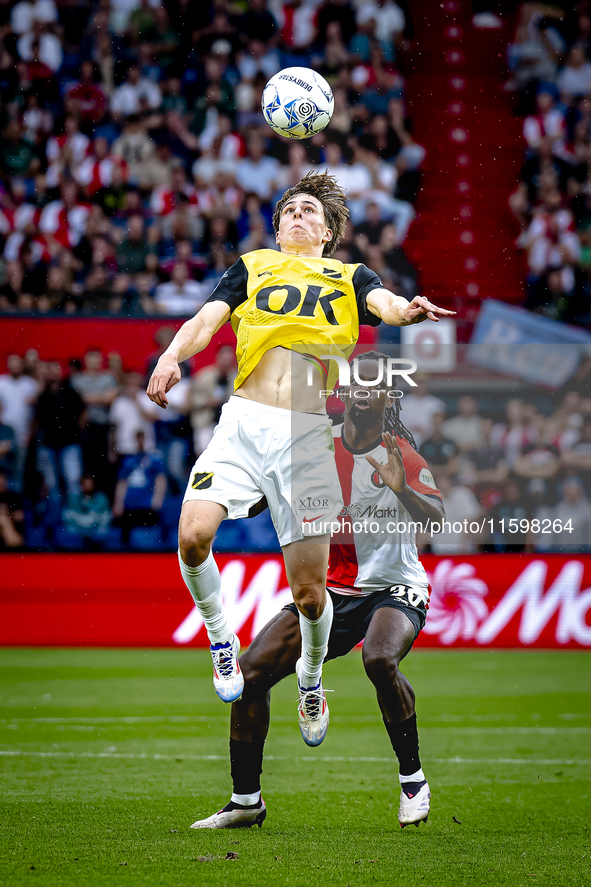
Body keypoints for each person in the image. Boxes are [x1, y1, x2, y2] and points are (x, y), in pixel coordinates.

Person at [147, 171, 453, 746]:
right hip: (243, 422)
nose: (296, 215)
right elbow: (204, 322)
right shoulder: (251, 266)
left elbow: (384, 304)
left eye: (309, 209)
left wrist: (407, 311)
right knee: (192, 535)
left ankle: (311, 678)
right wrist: (171, 355)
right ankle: (220, 640)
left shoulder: (347, 277)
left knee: (312, 595)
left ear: (329, 229)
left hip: (309, 432)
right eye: (288, 208)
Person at [190, 352, 443, 830]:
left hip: (393, 587)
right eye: (355, 385)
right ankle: (246, 802)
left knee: (379, 659)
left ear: (387, 397)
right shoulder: (312, 445)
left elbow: (437, 519)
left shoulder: (401, 454)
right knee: (248, 676)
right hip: (329, 591)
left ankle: (413, 781)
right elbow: (268, 487)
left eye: (374, 386)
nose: (362, 393)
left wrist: (400, 488)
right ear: (343, 393)